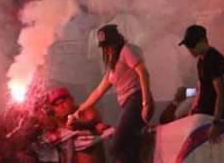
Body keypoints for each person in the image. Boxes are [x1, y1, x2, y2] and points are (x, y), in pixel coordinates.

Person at [70, 25, 152, 163]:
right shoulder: (113, 65)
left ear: (116, 41)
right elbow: (98, 91)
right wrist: (79, 111)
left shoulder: (127, 50)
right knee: (128, 147)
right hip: (128, 104)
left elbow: (143, 73)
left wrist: (146, 103)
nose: (106, 49)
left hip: (136, 100)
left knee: (117, 146)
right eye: (104, 47)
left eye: (108, 45)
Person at [44, 86, 108, 163]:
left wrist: (78, 124)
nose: (61, 106)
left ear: (71, 100)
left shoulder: (84, 111)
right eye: (57, 105)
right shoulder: (55, 121)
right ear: (53, 109)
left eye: (63, 102)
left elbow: (94, 121)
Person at [177, 23, 224, 117]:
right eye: (187, 45)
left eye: (192, 44)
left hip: (209, 114)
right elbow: (202, 88)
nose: (190, 49)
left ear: (203, 40)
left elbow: (221, 92)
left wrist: (217, 121)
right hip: (202, 112)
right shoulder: (201, 60)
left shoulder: (213, 58)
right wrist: (187, 93)